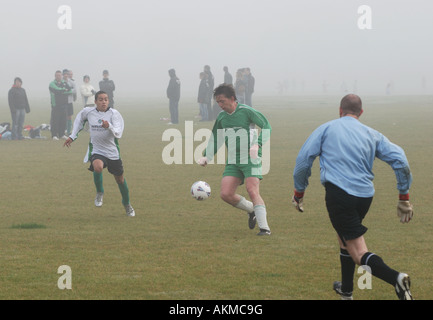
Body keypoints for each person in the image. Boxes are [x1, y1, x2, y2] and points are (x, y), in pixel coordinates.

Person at [292, 94, 414, 300]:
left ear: (339, 111)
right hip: (364, 197)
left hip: (339, 194)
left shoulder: (327, 129)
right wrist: (404, 196)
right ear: (361, 112)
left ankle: (396, 278)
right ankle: (346, 290)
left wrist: (299, 192)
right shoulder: (371, 133)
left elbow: (304, 161)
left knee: (358, 252)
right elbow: (400, 160)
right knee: (345, 239)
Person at [198, 84, 272, 236]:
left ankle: (265, 228)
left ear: (232, 99)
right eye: (217, 102)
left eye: (222, 101)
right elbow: (216, 137)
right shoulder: (222, 117)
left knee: (252, 190)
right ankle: (252, 210)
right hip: (233, 160)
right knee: (226, 194)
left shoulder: (246, 111)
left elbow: (266, 126)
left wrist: (257, 144)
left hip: (250, 158)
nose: (220, 105)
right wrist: (207, 156)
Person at [63, 91, 135, 217]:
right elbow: (78, 121)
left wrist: (109, 127)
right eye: (101, 99)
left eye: (106, 99)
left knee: (120, 179)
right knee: (98, 166)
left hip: (112, 152)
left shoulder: (114, 114)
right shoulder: (88, 112)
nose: (104, 102)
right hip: (97, 149)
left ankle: (127, 204)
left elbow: (119, 133)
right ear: (95, 101)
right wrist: (72, 136)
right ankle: (100, 192)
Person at [49, 70, 72, 140]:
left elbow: (70, 91)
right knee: (55, 120)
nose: (58, 77)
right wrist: (63, 90)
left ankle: (61, 134)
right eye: (57, 75)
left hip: (64, 105)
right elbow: (57, 90)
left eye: (59, 75)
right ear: (55, 76)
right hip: (55, 105)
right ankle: (54, 135)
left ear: (61, 76)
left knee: (63, 120)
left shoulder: (64, 83)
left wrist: (62, 91)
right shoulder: (52, 84)